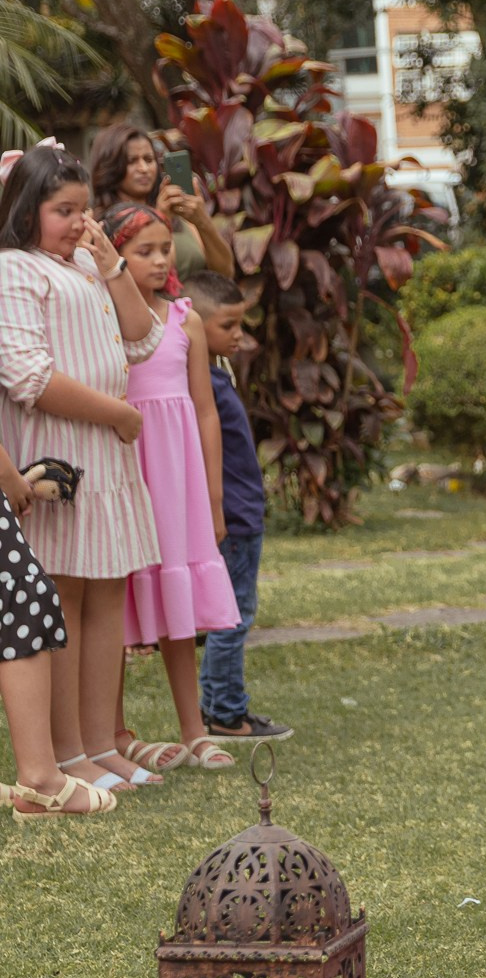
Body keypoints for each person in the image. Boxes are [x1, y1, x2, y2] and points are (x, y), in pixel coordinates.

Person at [0, 144, 168, 793]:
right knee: (63, 600)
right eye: (62, 210)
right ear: (25, 210)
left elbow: (144, 338)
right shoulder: (17, 269)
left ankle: (101, 743)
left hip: (109, 461)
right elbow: (28, 376)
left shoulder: (86, 266)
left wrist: (113, 264)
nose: (77, 222)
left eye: (84, 209)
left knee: (107, 595)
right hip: (67, 448)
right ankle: (67, 753)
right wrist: (115, 416)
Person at [0, 145, 112, 819]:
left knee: (27, 602)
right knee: (29, 603)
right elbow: (27, 375)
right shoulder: (16, 272)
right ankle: (41, 777)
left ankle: (41, 775)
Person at [106, 207, 239, 770]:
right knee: (113, 606)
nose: (160, 260)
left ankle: (194, 731)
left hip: (178, 477)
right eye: (145, 251)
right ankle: (112, 733)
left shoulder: (185, 319)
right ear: (114, 257)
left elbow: (206, 412)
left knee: (177, 606)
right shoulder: (102, 319)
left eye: (165, 249)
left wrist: (212, 497)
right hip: (127, 473)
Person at [182, 271, 289, 744]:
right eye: (228, 326)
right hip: (235, 517)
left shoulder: (215, 369)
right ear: (194, 324)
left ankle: (220, 706)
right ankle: (226, 712)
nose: (239, 337)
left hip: (244, 509)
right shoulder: (197, 378)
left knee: (233, 611)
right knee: (234, 614)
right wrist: (219, 511)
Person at [87, 122, 234, 281]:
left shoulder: (179, 213)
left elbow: (225, 273)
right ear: (110, 167)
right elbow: (150, 280)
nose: (143, 168)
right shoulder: (104, 226)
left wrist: (202, 221)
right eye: (132, 161)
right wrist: (161, 218)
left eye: (149, 159)